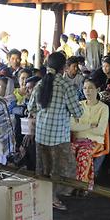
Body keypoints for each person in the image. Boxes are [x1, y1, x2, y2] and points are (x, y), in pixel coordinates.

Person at [28, 52, 84, 210]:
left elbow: (30, 108)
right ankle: (52, 198)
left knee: (44, 168)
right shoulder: (66, 86)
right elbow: (78, 112)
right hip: (58, 137)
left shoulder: (40, 84)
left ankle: (43, 197)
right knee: (60, 169)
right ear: (63, 67)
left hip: (41, 135)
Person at [70, 79, 109, 193]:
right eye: (85, 88)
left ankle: (81, 185)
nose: (87, 91)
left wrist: (81, 127)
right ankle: (71, 183)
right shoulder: (78, 105)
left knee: (83, 153)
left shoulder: (103, 107)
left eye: (91, 88)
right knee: (68, 151)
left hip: (95, 141)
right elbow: (71, 126)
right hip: (78, 140)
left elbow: (101, 131)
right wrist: (90, 126)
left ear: (98, 90)